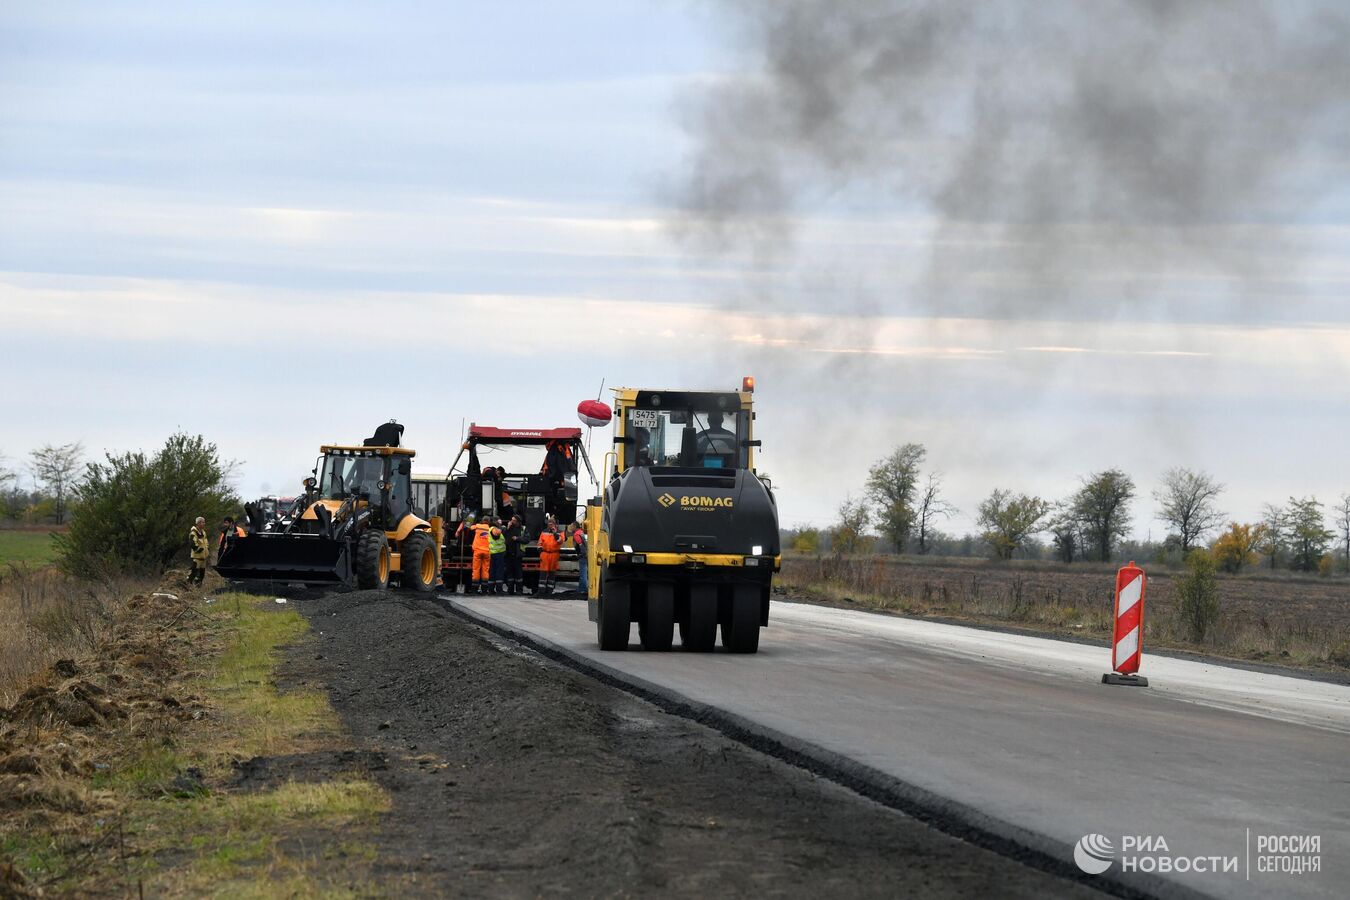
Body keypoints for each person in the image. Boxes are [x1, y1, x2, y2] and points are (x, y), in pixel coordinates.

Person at [455, 515, 492, 594]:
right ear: (489, 522)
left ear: (482, 520)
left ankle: (474, 589)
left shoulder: (477, 526)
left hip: (477, 551)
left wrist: (464, 522)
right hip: (487, 552)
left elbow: (468, 527)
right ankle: (484, 589)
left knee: (476, 569)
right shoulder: (490, 529)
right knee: (485, 570)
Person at [536, 519, 563, 596]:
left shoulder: (560, 532)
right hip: (545, 554)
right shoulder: (544, 531)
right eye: (549, 524)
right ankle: (541, 591)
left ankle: (549, 591)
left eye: (551, 524)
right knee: (543, 573)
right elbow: (540, 542)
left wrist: (555, 533)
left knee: (552, 573)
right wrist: (540, 551)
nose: (549, 526)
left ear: (555, 524)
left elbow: (560, 541)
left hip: (554, 554)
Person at [504, 514, 526, 595]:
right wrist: (507, 528)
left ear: (518, 521)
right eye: (511, 520)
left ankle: (519, 590)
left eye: (513, 520)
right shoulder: (509, 528)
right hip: (508, 554)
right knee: (509, 573)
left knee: (518, 573)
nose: (511, 521)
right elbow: (503, 536)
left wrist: (517, 538)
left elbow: (527, 539)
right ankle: (510, 590)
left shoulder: (523, 529)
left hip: (517, 554)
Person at [487, 520, 507, 595]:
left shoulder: (490, 529)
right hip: (498, 553)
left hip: (492, 553)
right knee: (499, 571)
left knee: (492, 571)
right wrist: (503, 528)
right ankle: (499, 589)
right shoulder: (494, 529)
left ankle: (491, 589)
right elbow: (497, 534)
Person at [188, 516, 209, 587]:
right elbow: (192, 544)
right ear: (198, 523)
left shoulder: (203, 532)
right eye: (203, 522)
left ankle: (198, 588)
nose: (204, 523)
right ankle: (188, 587)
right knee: (193, 573)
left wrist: (206, 550)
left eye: (204, 522)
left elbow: (206, 542)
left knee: (201, 574)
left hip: (203, 557)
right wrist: (198, 550)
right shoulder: (193, 533)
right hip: (196, 557)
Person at [572, 519, 589, 597]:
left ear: (575, 526)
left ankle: (583, 589)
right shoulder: (581, 532)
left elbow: (580, 545)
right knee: (584, 572)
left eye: (572, 526)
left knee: (583, 573)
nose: (571, 528)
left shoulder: (576, 534)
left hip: (583, 556)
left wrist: (582, 554)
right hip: (586, 555)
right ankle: (581, 588)